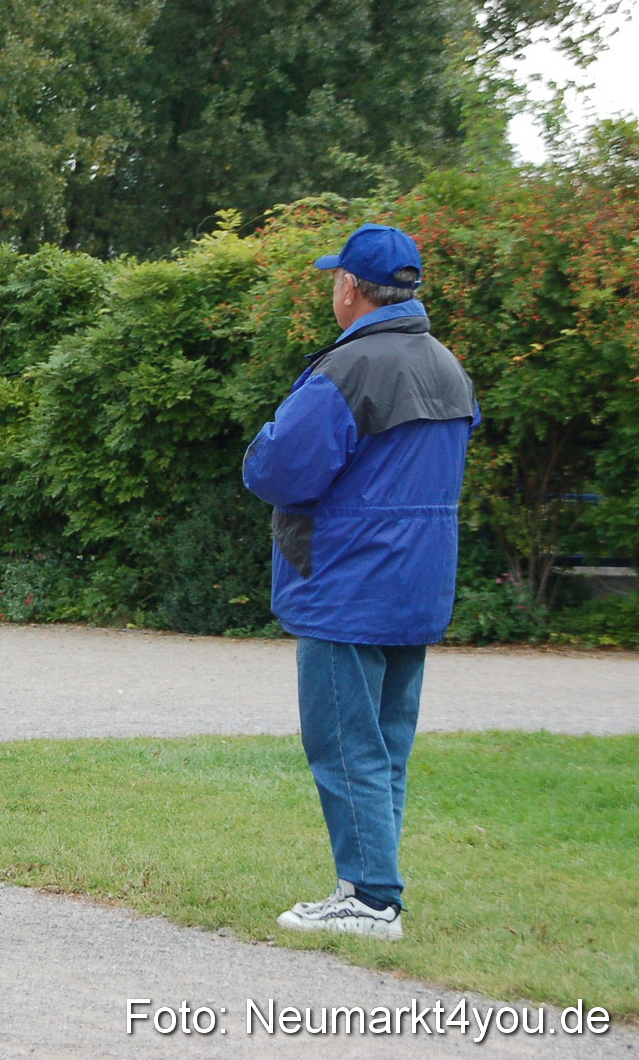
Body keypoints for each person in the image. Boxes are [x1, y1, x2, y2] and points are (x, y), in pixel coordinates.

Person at [243, 223, 476, 940]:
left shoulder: (350, 368)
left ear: (350, 287)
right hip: (417, 583)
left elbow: (277, 468)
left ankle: (370, 898)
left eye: (334, 279)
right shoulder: (447, 366)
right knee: (385, 746)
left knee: (345, 744)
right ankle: (374, 884)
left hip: (347, 583)